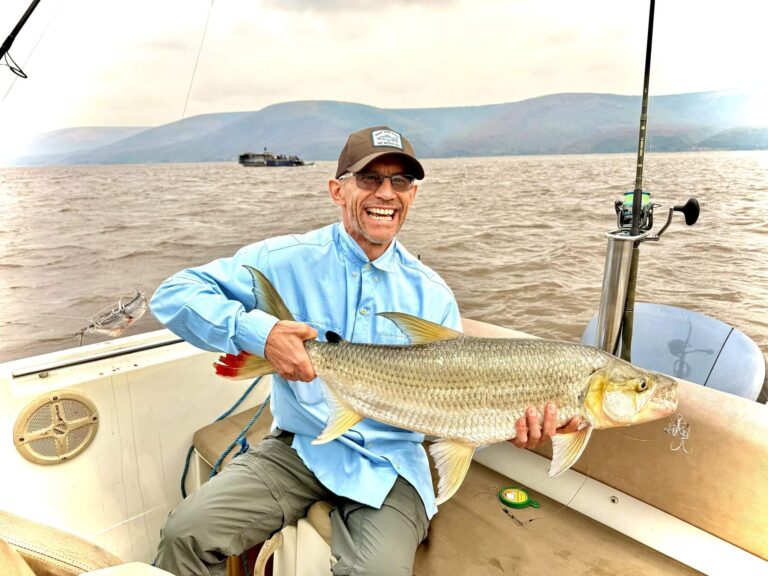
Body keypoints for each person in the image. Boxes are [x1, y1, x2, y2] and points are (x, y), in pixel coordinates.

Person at [150, 125, 579, 576]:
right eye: (370, 179)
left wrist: (511, 421)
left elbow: (458, 402)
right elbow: (175, 294)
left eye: (400, 182)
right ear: (338, 190)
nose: (386, 194)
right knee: (186, 533)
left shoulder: (432, 294)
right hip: (300, 449)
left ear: (412, 196)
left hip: (391, 463)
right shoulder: (284, 259)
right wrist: (261, 334)